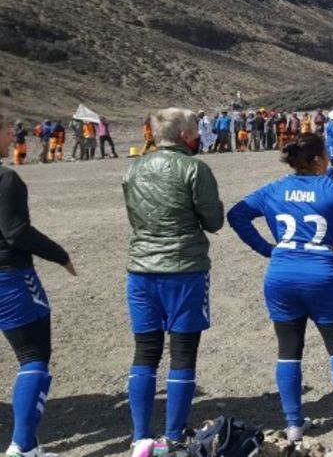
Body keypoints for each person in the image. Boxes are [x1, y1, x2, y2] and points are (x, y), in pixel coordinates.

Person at [227, 133, 333, 441]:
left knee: (288, 351)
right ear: (318, 160)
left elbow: (237, 214)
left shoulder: (275, 189)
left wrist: (268, 248)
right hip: (323, 275)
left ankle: (294, 424)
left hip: (282, 276)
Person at [122, 108, 224, 452]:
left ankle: (139, 437)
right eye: (196, 131)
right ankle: (174, 435)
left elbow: (134, 215)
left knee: (145, 351)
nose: (199, 137)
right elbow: (213, 220)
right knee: (182, 351)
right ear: (185, 137)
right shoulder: (194, 168)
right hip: (184, 269)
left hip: (141, 268)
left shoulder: (132, 168)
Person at [0, 113, 77, 457]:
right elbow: (16, 232)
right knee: (33, 358)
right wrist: (60, 255)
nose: (11, 135)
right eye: (5, 129)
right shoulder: (6, 179)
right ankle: (23, 446)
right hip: (9, 277)